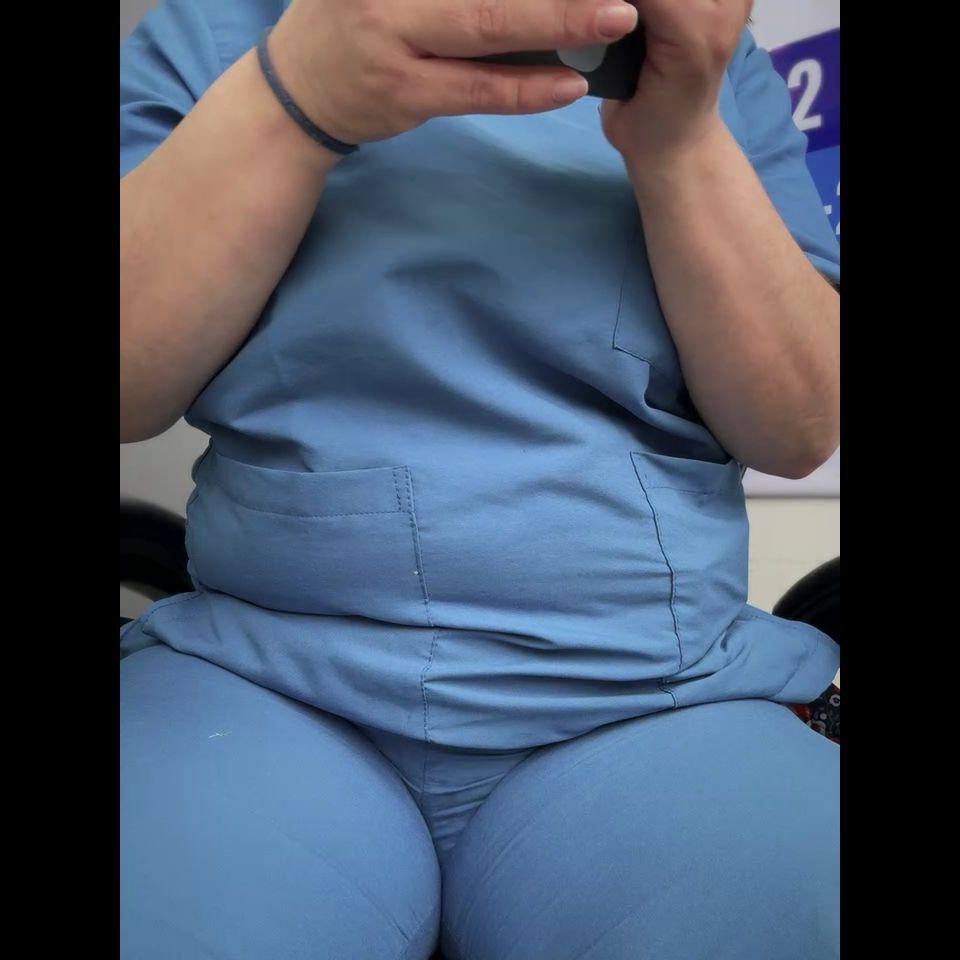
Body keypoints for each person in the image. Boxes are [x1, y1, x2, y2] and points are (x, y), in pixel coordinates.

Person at [119, 1, 840, 957]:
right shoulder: (211, 32)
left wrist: (681, 139)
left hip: (654, 699)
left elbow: (798, 429)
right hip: (266, 682)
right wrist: (294, 97)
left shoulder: (709, 61)